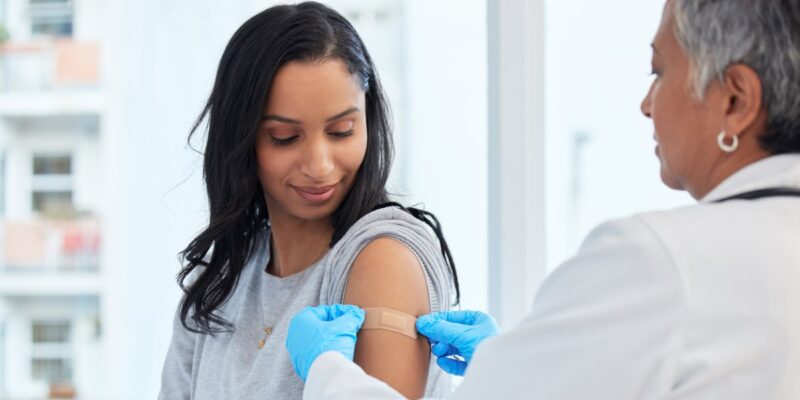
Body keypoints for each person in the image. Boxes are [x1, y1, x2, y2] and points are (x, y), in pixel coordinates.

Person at [284, 0, 800, 398]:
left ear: (736, 100)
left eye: (659, 72)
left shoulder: (660, 261)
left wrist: (329, 373)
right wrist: (513, 366)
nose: (646, 105)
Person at [157, 2, 460, 399]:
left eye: (341, 131)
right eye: (285, 137)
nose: (319, 166)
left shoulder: (382, 257)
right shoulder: (217, 284)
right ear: (241, 138)